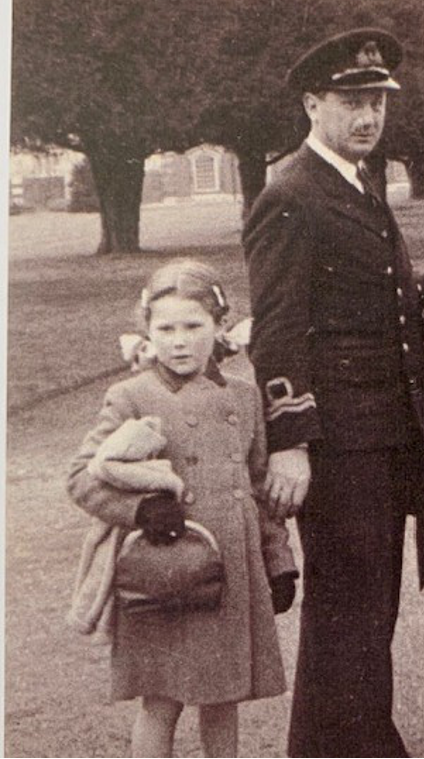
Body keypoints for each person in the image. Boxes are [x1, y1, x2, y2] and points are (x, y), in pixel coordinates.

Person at [243, 28, 424, 758]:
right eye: (352, 101)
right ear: (312, 103)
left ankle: (358, 741)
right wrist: (289, 441)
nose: (369, 116)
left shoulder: (351, 180)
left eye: (377, 100)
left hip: (382, 434)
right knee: (347, 610)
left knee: (367, 608)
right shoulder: (290, 192)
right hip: (338, 443)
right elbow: (279, 331)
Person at [67, 260, 297, 759]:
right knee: (161, 700)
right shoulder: (129, 396)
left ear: (219, 327)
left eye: (193, 326)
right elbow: (81, 478)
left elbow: (257, 486)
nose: (179, 341)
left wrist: (278, 561)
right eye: (165, 328)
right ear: (147, 332)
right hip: (162, 572)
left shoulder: (243, 395)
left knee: (223, 697)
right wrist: (141, 509)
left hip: (230, 570)